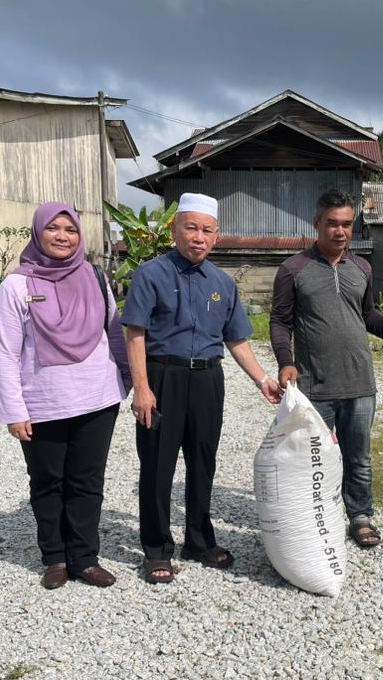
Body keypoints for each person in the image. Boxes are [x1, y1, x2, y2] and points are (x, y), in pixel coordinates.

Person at [121, 193, 281, 584]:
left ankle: (198, 540)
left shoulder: (223, 283)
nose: (198, 237)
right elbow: (135, 333)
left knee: (203, 460)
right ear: (175, 230)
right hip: (163, 377)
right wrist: (141, 388)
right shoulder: (151, 274)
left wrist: (263, 379)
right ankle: (157, 550)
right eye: (190, 227)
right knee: (158, 465)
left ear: (216, 235)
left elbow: (237, 340)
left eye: (206, 230)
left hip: (209, 379)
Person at [270, 189, 383, 549]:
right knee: (313, 460)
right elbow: (280, 322)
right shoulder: (293, 269)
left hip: (360, 385)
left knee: (359, 458)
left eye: (346, 224)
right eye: (332, 224)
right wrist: (286, 362)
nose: (340, 231)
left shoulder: (363, 268)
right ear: (317, 224)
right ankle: (315, 517)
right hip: (314, 387)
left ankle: (360, 516)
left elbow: (368, 315)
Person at [0, 202, 131, 589]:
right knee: (48, 481)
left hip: (98, 398)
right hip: (43, 403)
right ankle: (54, 557)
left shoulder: (96, 277)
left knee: (87, 481)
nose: (63, 237)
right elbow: (3, 352)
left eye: (70, 229)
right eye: (53, 228)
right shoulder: (16, 286)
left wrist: (124, 380)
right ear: (38, 233)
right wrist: (14, 410)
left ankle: (85, 557)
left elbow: (114, 332)